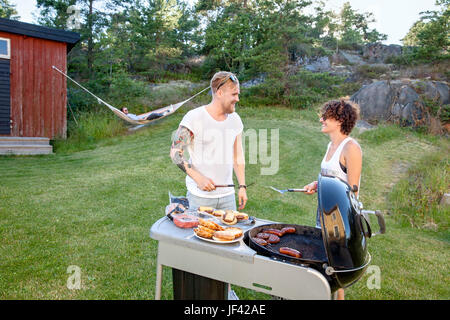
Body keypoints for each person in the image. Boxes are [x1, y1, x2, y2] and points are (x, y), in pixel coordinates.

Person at [169, 71, 247, 300]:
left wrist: (242, 185)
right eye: (234, 94)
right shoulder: (194, 118)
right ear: (219, 91)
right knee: (203, 248)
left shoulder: (236, 120)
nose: (237, 99)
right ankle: (202, 295)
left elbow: (237, 155)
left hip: (228, 196)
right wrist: (197, 177)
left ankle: (226, 291)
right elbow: (175, 152)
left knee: (230, 245)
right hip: (200, 198)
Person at [303, 99, 361, 301]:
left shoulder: (351, 148)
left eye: (325, 117)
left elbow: (352, 191)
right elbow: (330, 176)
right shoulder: (331, 145)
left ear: (339, 120)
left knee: (337, 266)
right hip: (324, 211)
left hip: (341, 218)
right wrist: (316, 184)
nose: (321, 120)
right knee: (328, 263)